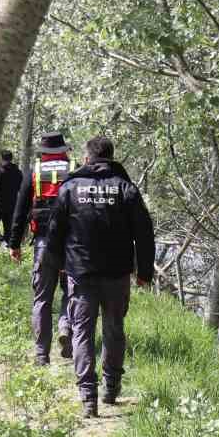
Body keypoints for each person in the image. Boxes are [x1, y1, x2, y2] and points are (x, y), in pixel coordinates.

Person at [46, 134, 154, 417]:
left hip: (80, 273)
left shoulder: (69, 188)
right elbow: (144, 234)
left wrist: (56, 264)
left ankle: (88, 397)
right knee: (113, 330)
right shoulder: (127, 189)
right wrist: (144, 272)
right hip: (117, 275)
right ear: (112, 157)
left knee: (82, 332)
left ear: (87, 158)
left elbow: (55, 231)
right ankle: (111, 388)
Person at [9, 133, 73, 364]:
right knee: (72, 291)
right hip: (70, 243)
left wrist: (15, 244)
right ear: (64, 150)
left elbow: (19, 211)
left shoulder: (34, 173)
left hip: (43, 243)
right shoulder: (74, 170)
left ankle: (41, 354)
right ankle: (66, 327)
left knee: (42, 297)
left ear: (43, 152)